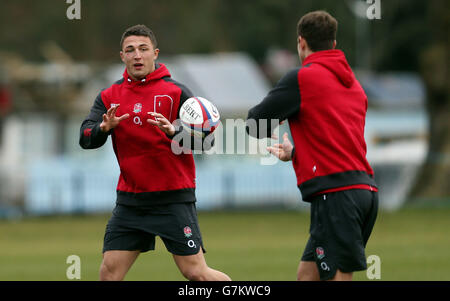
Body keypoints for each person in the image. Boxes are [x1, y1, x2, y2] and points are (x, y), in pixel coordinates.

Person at [79, 24, 230, 281]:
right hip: (131, 202)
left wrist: (174, 133)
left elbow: (207, 142)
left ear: (155, 53)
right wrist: (103, 128)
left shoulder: (178, 92)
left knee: (196, 273)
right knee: (108, 273)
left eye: (143, 49)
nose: (137, 55)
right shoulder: (109, 96)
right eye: (130, 50)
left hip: (172, 199)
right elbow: (85, 137)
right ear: (122, 56)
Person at [246, 11, 378, 281]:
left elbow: (254, 124)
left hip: (337, 194)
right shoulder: (354, 86)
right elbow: (337, 141)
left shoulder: (302, 78)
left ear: (301, 43)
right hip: (364, 191)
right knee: (308, 275)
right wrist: (296, 153)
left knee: (339, 277)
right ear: (334, 44)